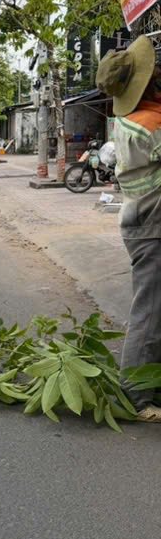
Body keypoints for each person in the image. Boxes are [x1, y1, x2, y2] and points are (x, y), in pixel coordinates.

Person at [97, 35, 161, 422]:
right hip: (153, 225)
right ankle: (137, 395)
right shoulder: (151, 123)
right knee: (150, 311)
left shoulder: (127, 120)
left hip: (140, 221)